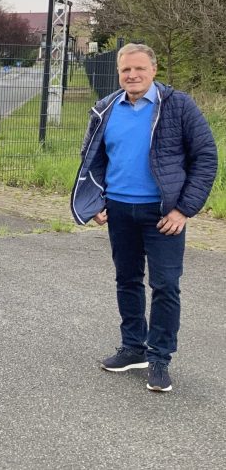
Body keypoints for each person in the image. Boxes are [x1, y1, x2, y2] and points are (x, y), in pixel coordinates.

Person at [71, 43, 218, 392]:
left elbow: (206, 157)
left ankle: (160, 358)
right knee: (127, 280)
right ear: (119, 73)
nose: (132, 75)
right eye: (125, 70)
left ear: (153, 70)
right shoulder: (106, 108)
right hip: (119, 211)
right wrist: (97, 200)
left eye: (139, 69)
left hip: (163, 214)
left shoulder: (177, 106)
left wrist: (184, 209)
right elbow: (93, 157)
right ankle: (133, 347)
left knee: (165, 286)